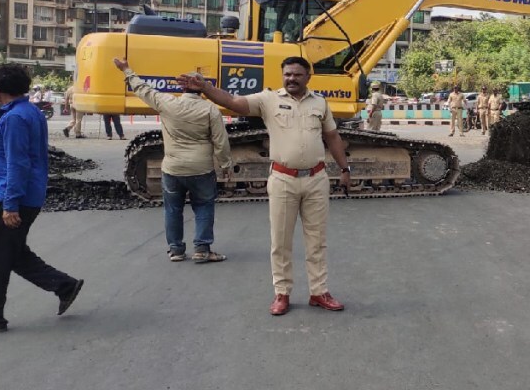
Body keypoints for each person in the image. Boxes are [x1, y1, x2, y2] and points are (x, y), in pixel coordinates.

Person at [179, 57, 352, 316]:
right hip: (283, 179)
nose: (291, 78)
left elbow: (332, 136)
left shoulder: (320, 102)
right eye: (287, 74)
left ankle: (319, 292)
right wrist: (206, 88)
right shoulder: (268, 100)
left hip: (316, 179)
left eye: (297, 74)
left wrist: (345, 168)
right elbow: (233, 102)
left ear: (308, 77)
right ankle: (282, 293)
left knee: (317, 241)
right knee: (280, 241)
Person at [114, 58, 232, 264]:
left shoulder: (167, 103)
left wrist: (126, 69)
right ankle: (202, 250)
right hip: (201, 169)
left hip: (172, 169)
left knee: (173, 209)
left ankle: (176, 250)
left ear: (183, 86)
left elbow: (142, 89)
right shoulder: (210, 110)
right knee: (204, 206)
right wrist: (225, 165)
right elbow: (220, 141)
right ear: (201, 88)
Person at [0, 63, 84, 333]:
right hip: (26, 192)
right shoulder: (28, 111)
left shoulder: (14, 119)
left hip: (14, 195)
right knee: (14, 252)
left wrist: (10, 205)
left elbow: (17, 163)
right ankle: (64, 285)